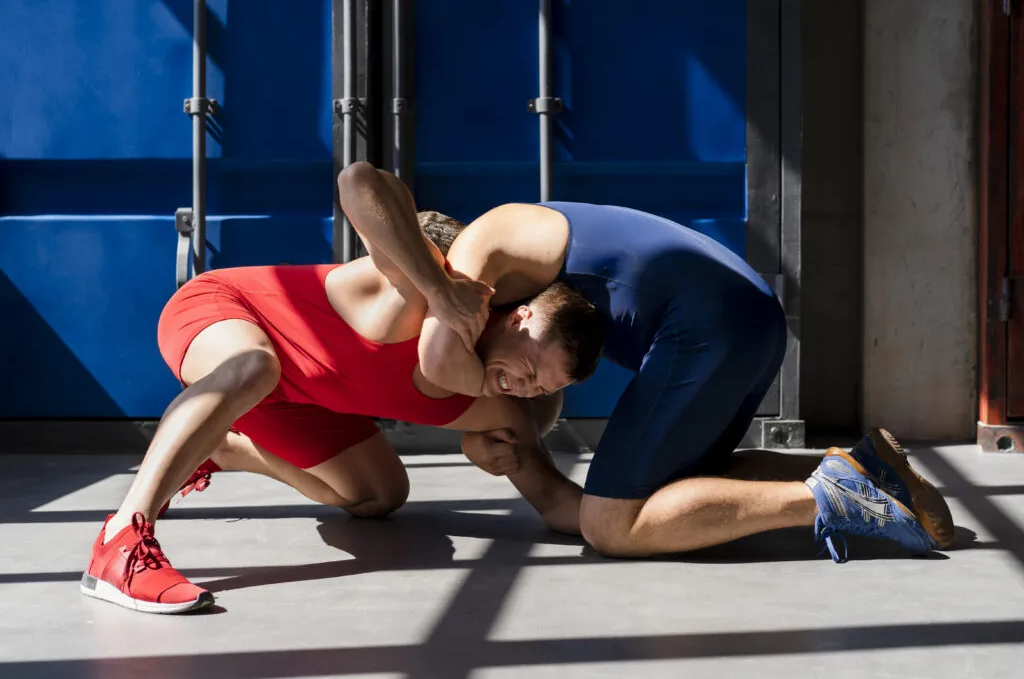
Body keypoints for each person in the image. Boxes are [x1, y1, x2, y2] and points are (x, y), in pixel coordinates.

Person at [338, 161, 956, 565]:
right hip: (742, 318)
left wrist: (437, 295)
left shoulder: (481, 247)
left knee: (611, 527)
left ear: (436, 262)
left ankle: (834, 497)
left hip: (707, 324)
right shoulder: (531, 294)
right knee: (674, 491)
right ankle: (861, 467)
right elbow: (541, 409)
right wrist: (506, 437)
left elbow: (434, 369)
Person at [80, 167, 604, 615]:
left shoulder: (500, 406)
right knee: (254, 366)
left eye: (540, 388)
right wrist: (441, 289)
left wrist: (643, 522)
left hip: (290, 398)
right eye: (530, 366)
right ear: (516, 317)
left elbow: (555, 502)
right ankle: (121, 539)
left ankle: (221, 445)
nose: (524, 386)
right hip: (226, 314)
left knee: (379, 497)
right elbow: (358, 180)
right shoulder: (415, 300)